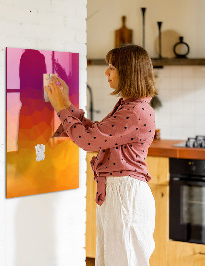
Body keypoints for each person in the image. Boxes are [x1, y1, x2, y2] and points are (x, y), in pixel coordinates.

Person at [44, 44, 157, 266]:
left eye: (112, 67)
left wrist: (60, 108)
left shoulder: (134, 111)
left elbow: (88, 141)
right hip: (119, 193)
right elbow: (96, 134)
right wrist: (66, 104)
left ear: (128, 72)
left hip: (125, 195)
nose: (106, 72)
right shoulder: (129, 106)